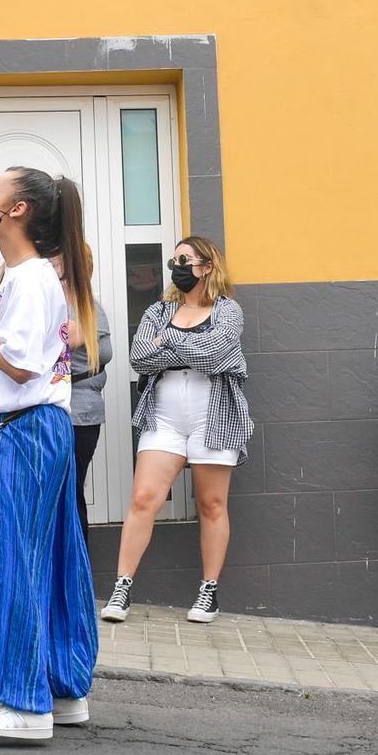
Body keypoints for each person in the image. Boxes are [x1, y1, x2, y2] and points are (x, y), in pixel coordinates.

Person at [0, 167, 99, 740]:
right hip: (39, 425)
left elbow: (23, 365)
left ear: (18, 211)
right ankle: (61, 689)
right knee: (56, 558)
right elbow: (19, 365)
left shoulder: (32, 278)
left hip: (29, 432)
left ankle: (23, 702)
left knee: (13, 559)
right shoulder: (29, 278)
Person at [102, 236, 252, 626]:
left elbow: (217, 354)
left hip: (214, 415)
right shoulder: (159, 309)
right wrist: (188, 344)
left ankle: (208, 591)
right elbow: (138, 357)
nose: (177, 267)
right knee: (143, 498)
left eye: (184, 259)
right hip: (163, 417)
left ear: (207, 265)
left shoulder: (227, 310)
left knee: (211, 504)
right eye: (174, 261)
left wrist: (167, 339)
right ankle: (122, 585)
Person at [55, 244, 111, 536]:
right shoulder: (55, 303)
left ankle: (77, 570)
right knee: (63, 495)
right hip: (61, 413)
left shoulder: (86, 307)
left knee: (70, 494)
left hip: (78, 415)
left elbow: (103, 355)